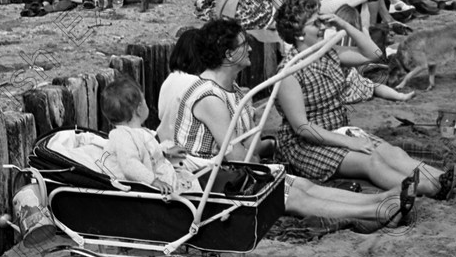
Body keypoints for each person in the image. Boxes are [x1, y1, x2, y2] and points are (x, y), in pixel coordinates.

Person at [166, 19, 417, 232]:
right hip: (205, 182)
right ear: (229, 55)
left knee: (300, 185)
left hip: (225, 173)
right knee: (292, 195)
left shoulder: (231, 89)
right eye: (244, 45)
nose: (251, 50)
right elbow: (237, 156)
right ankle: (377, 211)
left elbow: (241, 150)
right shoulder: (210, 97)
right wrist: (265, 163)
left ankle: (381, 200)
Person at [274, 0, 456, 198]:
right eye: (315, 23)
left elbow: (373, 54)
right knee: (371, 161)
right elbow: (302, 127)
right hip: (307, 145)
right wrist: (348, 142)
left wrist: (344, 24)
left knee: (393, 153)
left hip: (339, 131)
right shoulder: (289, 72)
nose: (322, 27)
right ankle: (431, 188)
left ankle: (450, 179)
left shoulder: (328, 52)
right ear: (297, 33)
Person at [101, 76, 199, 194]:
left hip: (164, 181)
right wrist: (153, 181)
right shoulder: (122, 136)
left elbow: (146, 153)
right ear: (139, 109)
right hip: (153, 190)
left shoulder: (138, 132)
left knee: (192, 179)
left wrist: (164, 152)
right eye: (145, 101)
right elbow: (130, 165)